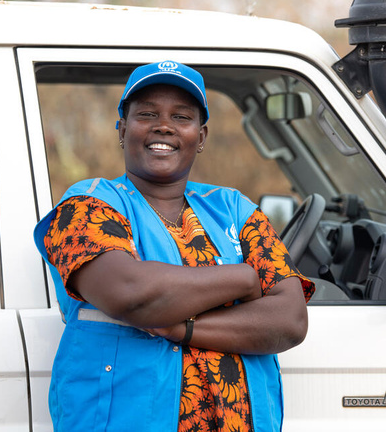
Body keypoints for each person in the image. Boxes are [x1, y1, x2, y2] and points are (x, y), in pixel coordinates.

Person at [33, 60, 314, 432]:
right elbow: (130, 293)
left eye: (181, 117)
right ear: (122, 129)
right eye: (146, 114)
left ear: (201, 137)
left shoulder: (234, 209)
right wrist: (246, 280)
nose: (163, 125)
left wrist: (179, 327)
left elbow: (289, 320)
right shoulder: (87, 204)